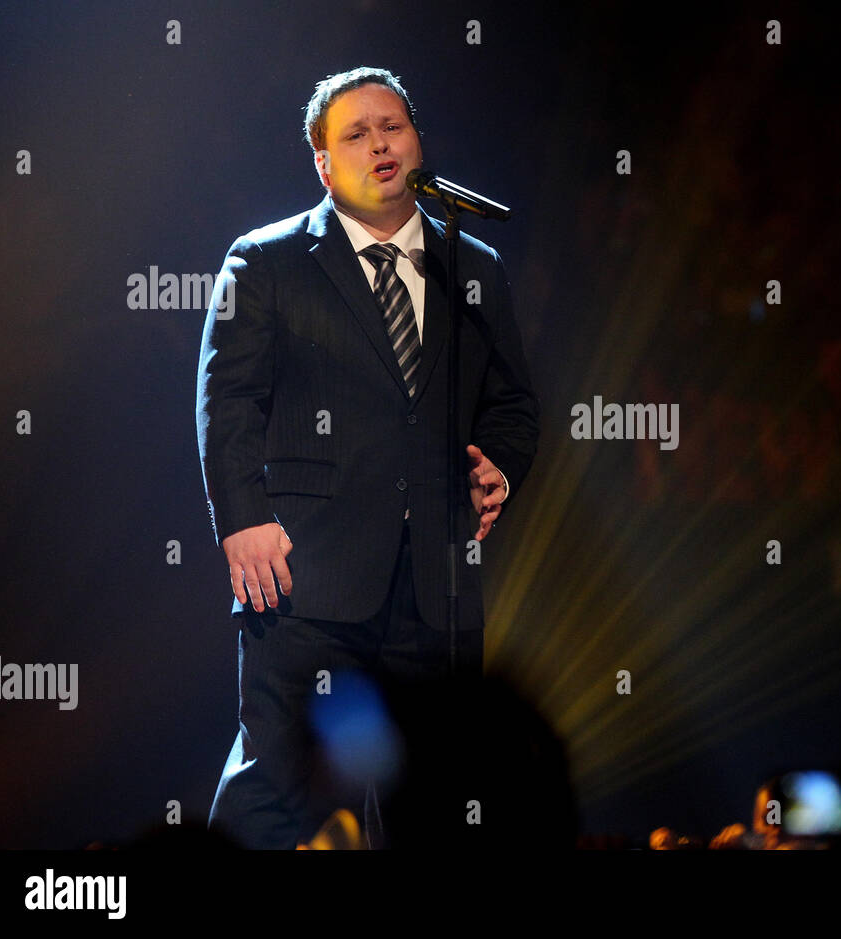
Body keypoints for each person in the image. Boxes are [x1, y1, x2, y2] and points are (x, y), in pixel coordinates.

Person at [195, 66, 540, 849]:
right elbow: (227, 404)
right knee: (274, 787)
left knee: (434, 798)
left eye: (394, 126)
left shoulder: (473, 264)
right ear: (322, 162)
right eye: (356, 133)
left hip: (436, 583)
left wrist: (503, 466)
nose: (380, 143)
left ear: (418, 142)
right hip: (305, 573)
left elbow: (514, 403)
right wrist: (243, 519)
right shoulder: (267, 260)